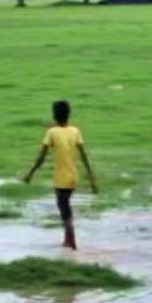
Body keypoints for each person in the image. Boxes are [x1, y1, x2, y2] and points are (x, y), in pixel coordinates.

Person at [24, 101, 98, 250]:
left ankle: (71, 242)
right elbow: (84, 157)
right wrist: (92, 179)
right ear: (68, 114)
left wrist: (30, 174)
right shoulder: (75, 131)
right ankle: (67, 239)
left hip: (61, 178)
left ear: (54, 115)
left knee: (63, 207)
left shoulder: (51, 133)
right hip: (73, 176)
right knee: (64, 205)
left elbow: (41, 158)